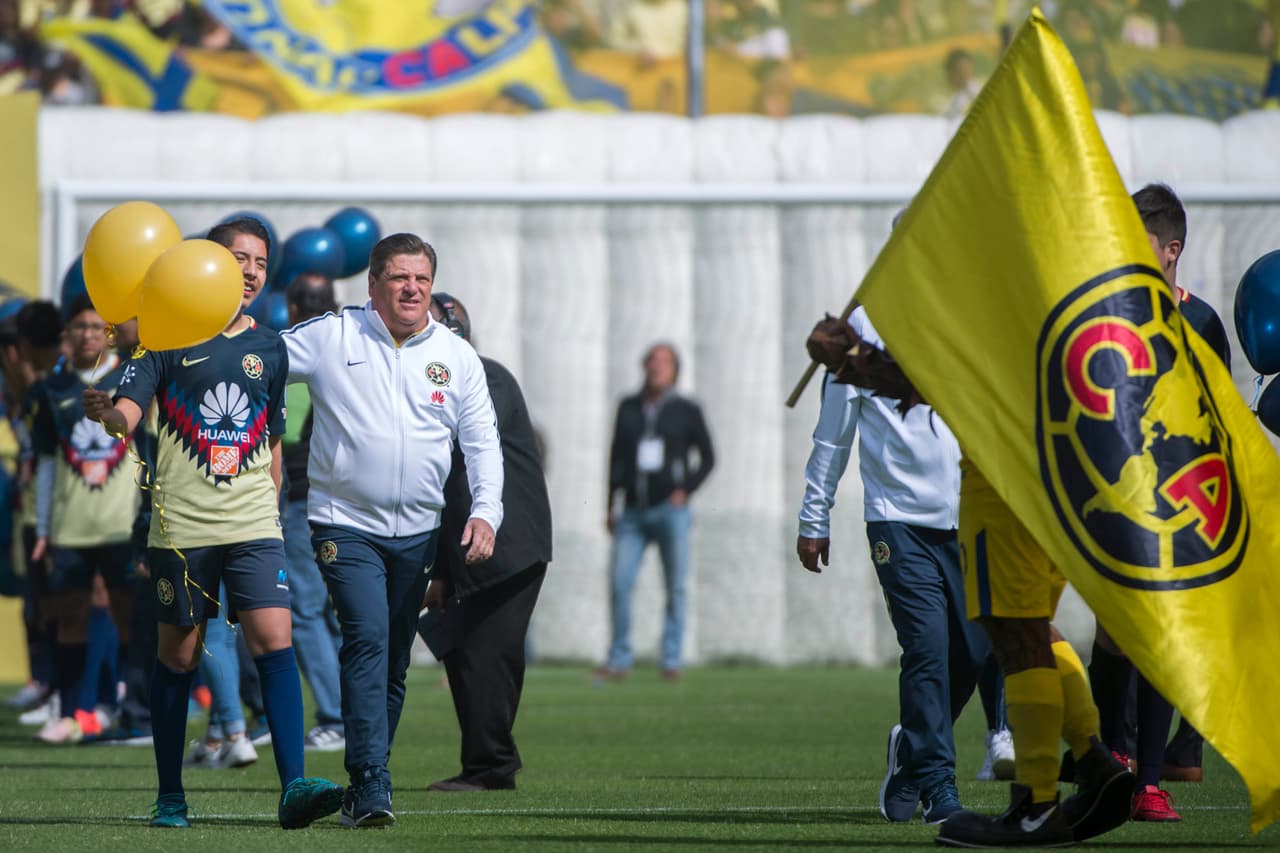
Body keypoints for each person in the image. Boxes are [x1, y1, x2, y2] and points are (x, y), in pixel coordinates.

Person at [83, 217, 344, 830]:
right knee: (178, 657)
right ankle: (170, 794)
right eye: (236, 257)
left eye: (259, 260)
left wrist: (274, 513)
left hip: (254, 525)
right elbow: (128, 410)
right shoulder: (161, 342)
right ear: (202, 265)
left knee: (275, 642)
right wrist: (109, 416)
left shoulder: (271, 346)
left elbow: (274, 439)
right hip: (184, 532)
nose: (249, 270)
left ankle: (294, 786)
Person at [280, 233, 503, 828]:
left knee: (394, 660)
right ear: (373, 284)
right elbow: (264, 364)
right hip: (343, 523)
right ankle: (373, 780)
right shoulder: (334, 335)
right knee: (368, 638)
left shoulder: (456, 356)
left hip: (418, 532)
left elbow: (482, 440)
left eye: (422, 280)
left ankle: (364, 781)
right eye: (400, 278)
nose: (412, 290)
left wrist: (486, 511)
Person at [796, 304, 1011, 826]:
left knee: (976, 651)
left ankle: (911, 755)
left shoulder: (972, 308)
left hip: (971, 514)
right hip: (897, 520)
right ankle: (939, 786)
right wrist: (813, 514)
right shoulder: (863, 327)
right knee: (927, 649)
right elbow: (834, 431)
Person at [1087, 183, 1223, 822]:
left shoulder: (1201, 324)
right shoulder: (1108, 316)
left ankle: (1147, 781)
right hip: (1119, 500)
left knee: (1165, 642)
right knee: (1115, 638)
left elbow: (1219, 423)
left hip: (1180, 509)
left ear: (1171, 250)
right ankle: (1110, 759)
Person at [420, 292, 551, 793]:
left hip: (506, 544)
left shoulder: (480, 376)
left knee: (485, 654)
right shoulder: (475, 373)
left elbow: (463, 468)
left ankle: (490, 766)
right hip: (481, 544)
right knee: (468, 650)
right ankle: (489, 760)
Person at [29, 294, 139, 744]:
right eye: (80, 327)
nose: (89, 333)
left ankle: (130, 707)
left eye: (97, 326)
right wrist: (42, 528)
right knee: (70, 620)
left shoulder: (131, 377)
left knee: (129, 617)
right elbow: (48, 464)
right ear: (66, 334)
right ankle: (73, 710)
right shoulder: (50, 391)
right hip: (71, 525)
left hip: (122, 522)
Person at [596, 343, 714, 681]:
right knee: (620, 582)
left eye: (664, 363)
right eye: (652, 362)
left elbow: (708, 457)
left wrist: (685, 490)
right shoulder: (629, 407)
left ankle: (672, 659)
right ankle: (619, 658)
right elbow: (616, 457)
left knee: (675, 586)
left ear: (676, 370)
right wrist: (610, 504)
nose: (656, 368)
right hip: (632, 511)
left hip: (670, 510)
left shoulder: (687, 409)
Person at [279, 272, 345, 752]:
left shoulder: (290, 356)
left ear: (291, 309)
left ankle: (336, 716)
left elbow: (274, 439)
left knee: (304, 610)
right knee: (345, 611)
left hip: (303, 498)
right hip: (352, 501)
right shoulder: (353, 348)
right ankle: (359, 713)